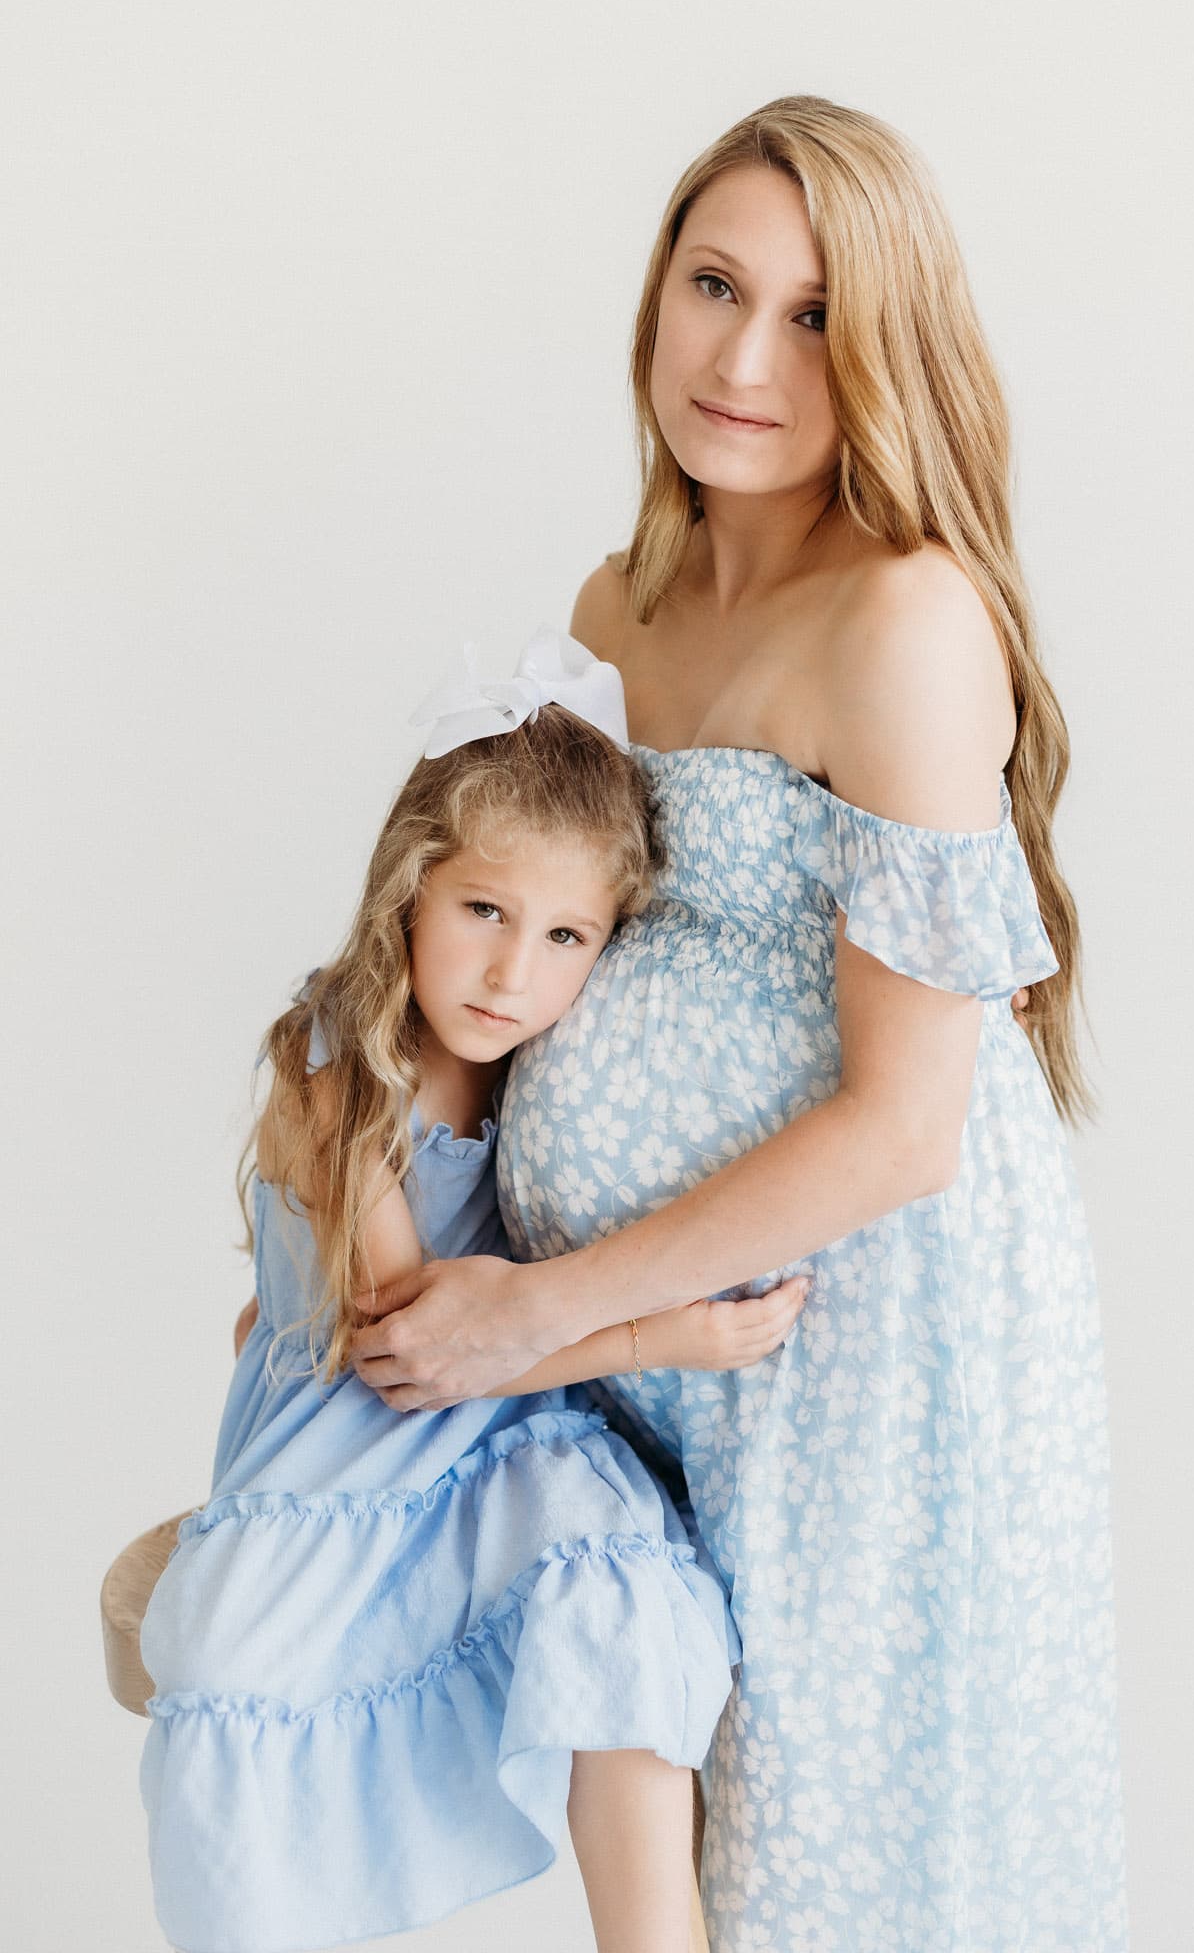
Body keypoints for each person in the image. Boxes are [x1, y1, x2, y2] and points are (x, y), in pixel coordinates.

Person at [347, 98, 1128, 1950]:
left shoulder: (904, 622)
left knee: (843, 1863)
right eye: (714, 282)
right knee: (678, 1847)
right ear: (656, 294)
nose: (741, 354)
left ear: (883, 354)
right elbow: (511, 948)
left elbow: (903, 1127)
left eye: (809, 313)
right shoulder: (610, 611)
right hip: (656, 1342)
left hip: (870, 1351)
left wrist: (544, 1304)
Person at [137, 631, 809, 1953]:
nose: (513, 974)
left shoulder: (548, 1065)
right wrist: (653, 1332)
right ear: (410, 888)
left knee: (623, 1594)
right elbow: (410, 1355)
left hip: (511, 1431)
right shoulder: (339, 1055)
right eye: (483, 913)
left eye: (566, 935)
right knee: (241, 1687)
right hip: (362, 1443)